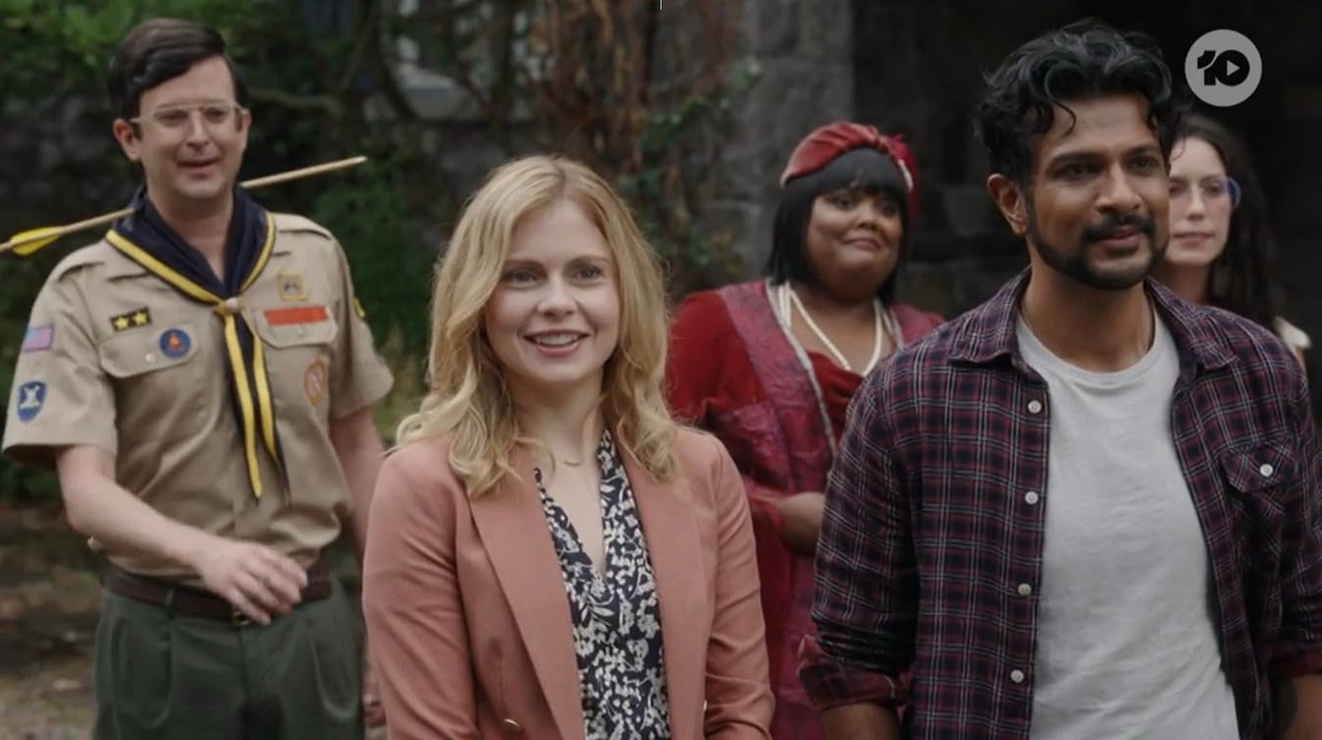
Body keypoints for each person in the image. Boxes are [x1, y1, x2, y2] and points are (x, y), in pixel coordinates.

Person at [800, 19, 1322, 740]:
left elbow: (1304, 629)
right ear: (1011, 201)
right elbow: (850, 661)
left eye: (1143, 164)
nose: (1121, 196)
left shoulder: (1255, 374)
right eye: (1080, 170)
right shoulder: (915, 398)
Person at [2, 18, 394, 739]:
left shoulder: (313, 258)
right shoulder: (82, 290)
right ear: (130, 137)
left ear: (243, 126)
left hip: (310, 625)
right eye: (172, 118)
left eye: (216, 114)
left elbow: (358, 446)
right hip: (166, 634)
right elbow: (86, 493)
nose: (198, 137)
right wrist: (206, 554)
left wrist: (388, 618)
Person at [361, 154, 773, 739]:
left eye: (586, 273)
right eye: (522, 275)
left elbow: (740, 709)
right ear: (478, 299)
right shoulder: (423, 487)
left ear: (624, 291)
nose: (557, 301)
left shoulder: (701, 469)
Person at [665, 121, 941, 739]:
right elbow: (645, 460)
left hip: (904, 654)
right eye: (843, 201)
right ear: (796, 215)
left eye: (887, 207)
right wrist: (771, 514)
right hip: (749, 640)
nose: (868, 219)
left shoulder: (934, 342)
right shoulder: (714, 324)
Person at [1153, 111, 1310, 368]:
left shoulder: (1275, 345)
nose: (1197, 208)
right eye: (1173, 189)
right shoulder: (1102, 334)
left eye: (1214, 189)